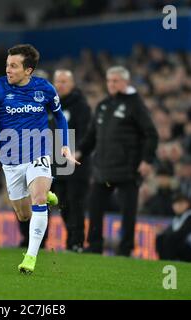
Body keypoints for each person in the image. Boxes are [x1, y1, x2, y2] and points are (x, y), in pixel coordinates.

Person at [0, 44, 79, 274]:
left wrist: (64, 145)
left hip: (39, 154)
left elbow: (60, 117)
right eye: (7, 65)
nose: (8, 70)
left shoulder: (45, 89)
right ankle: (46, 195)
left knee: (39, 199)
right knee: (23, 215)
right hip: (11, 161)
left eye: (14, 66)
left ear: (28, 70)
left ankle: (31, 257)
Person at [76, 66, 158, 256]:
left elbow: (151, 134)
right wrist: (79, 151)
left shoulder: (135, 105)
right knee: (94, 206)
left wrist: (147, 160)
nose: (111, 84)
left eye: (115, 81)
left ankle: (125, 248)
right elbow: (91, 136)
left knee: (128, 211)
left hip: (127, 169)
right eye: (109, 80)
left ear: (125, 82)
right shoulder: (103, 106)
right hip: (103, 169)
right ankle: (95, 245)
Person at [52, 69, 92, 252]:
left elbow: (87, 133)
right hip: (56, 165)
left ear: (72, 84)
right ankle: (71, 241)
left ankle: (76, 242)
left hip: (76, 165)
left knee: (75, 204)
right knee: (63, 205)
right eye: (57, 81)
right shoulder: (51, 106)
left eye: (64, 81)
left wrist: (78, 152)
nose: (60, 85)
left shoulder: (81, 106)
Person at [155, 193, 191, 263]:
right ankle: (163, 264)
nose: (178, 206)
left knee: (171, 239)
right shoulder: (177, 219)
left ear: (187, 204)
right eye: (176, 204)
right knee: (161, 237)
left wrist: (167, 234)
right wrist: (162, 233)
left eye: (181, 203)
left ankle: (168, 263)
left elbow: (181, 234)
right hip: (186, 250)